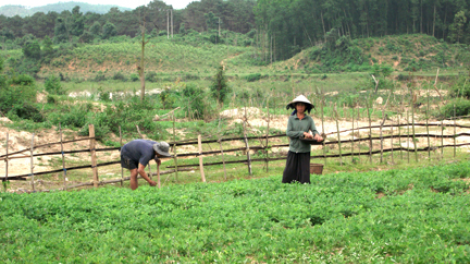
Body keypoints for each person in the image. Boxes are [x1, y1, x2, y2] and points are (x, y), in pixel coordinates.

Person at [282, 95, 323, 184]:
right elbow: (288, 133)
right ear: (295, 106)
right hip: (293, 148)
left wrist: (317, 136)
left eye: (302, 105)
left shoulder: (309, 119)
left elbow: (314, 130)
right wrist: (302, 133)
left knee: (304, 171)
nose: (300, 107)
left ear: (305, 107)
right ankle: (287, 185)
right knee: (289, 170)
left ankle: (304, 185)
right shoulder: (291, 119)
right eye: (298, 105)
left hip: (304, 149)